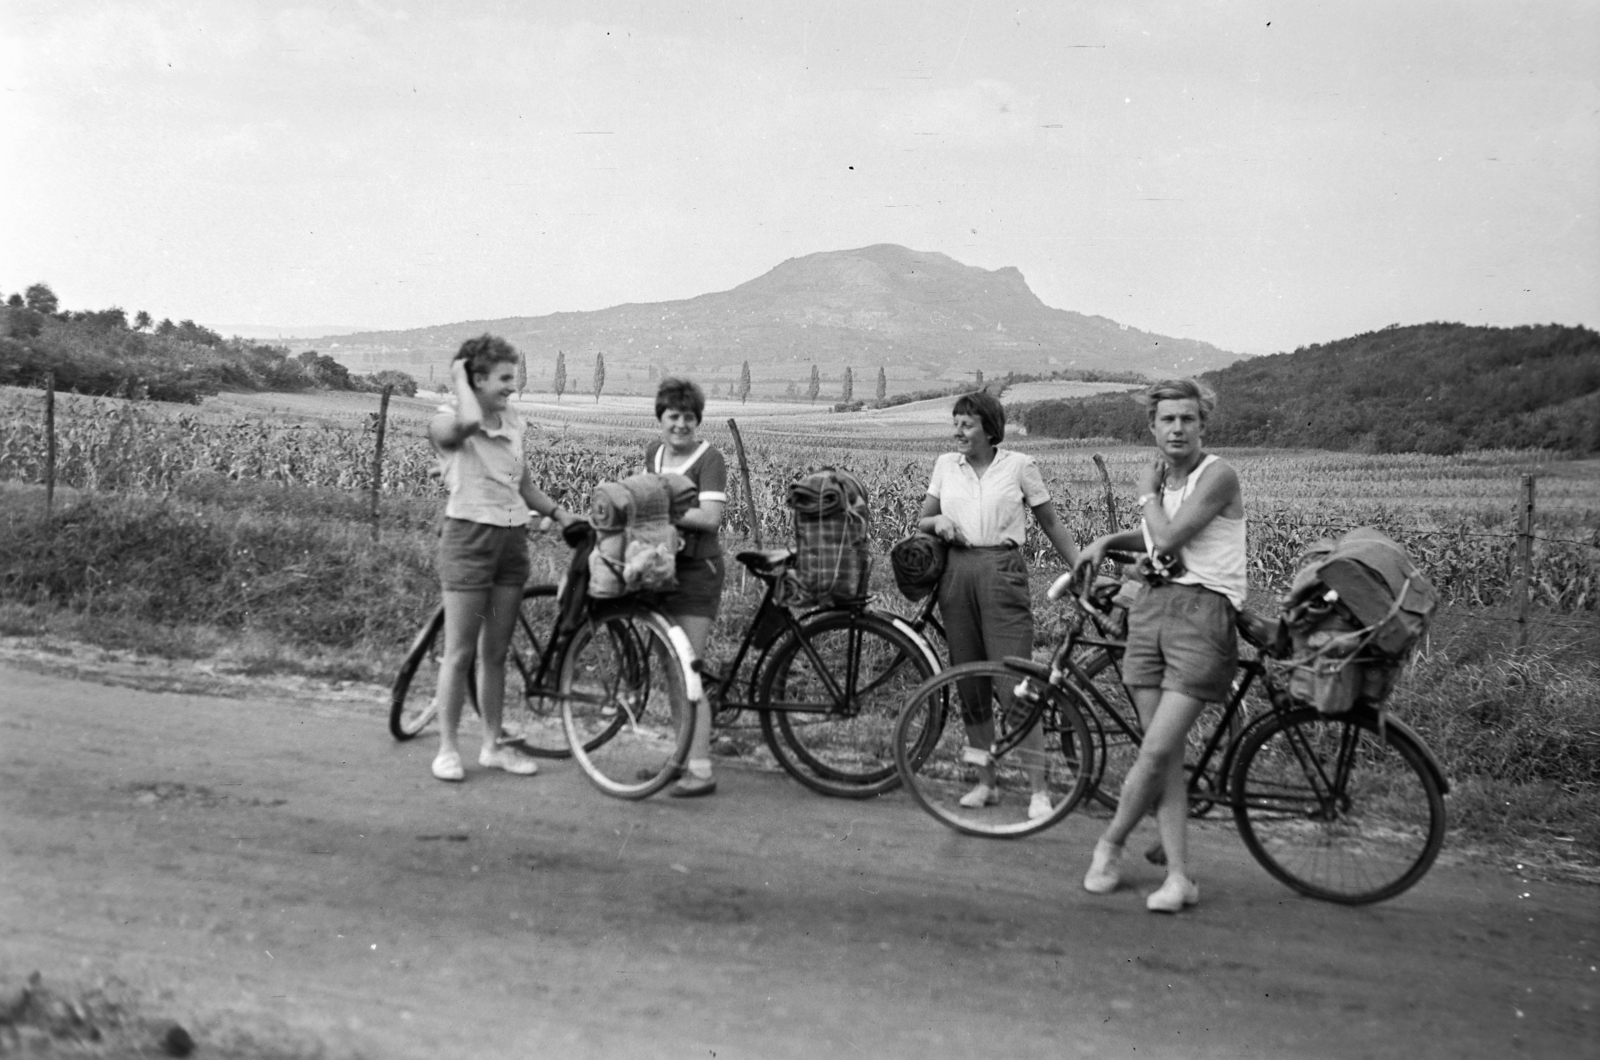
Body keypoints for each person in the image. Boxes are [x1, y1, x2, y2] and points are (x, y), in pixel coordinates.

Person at [1075, 378, 1246, 913]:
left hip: (1203, 616)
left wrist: (1146, 494)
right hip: (1151, 611)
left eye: (1187, 419)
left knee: (1154, 750)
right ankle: (1178, 878)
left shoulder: (1218, 475)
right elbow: (1154, 536)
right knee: (1165, 755)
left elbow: (1170, 538)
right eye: (1167, 419)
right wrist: (1107, 540)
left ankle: (1110, 845)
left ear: (1203, 425)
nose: (1177, 428)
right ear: (1152, 427)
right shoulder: (1165, 481)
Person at [917, 390, 1080, 820]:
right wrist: (940, 523)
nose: (958, 431)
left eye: (966, 424)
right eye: (955, 423)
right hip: (956, 574)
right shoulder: (944, 466)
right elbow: (923, 519)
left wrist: (1082, 568)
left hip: (1002, 573)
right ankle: (986, 783)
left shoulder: (1020, 466)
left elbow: (1050, 522)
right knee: (969, 682)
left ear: (990, 428)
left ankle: (1039, 791)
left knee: (1015, 683)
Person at [426, 335, 581, 783]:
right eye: (505, 377)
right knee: (458, 653)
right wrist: (459, 377)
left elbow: (523, 484)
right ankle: (448, 749)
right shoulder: (446, 421)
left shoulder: (514, 421)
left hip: (511, 540)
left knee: (494, 654)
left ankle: (493, 745)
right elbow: (470, 421)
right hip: (469, 539)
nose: (513, 386)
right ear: (476, 378)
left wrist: (559, 513)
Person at [645, 377, 728, 797]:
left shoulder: (709, 458)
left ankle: (700, 769)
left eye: (688, 417)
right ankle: (680, 758)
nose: (680, 424)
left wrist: (659, 506)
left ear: (698, 421)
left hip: (697, 573)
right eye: (673, 416)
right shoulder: (653, 453)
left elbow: (710, 518)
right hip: (661, 568)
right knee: (669, 668)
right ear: (660, 417)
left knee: (688, 668)